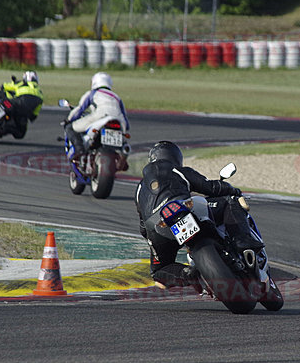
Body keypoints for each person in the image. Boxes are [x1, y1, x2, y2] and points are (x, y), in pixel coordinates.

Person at [134, 141, 260, 290]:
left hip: (156, 227)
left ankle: (187, 274)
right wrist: (234, 191)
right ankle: (242, 242)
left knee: (158, 271)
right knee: (229, 201)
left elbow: (143, 227)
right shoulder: (177, 171)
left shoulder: (139, 188)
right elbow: (211, 188)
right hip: (180, 207)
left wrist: (152, 236)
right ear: (175, 157)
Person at [63, 72, 130, 169]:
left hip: (100, 116)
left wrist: (68, 120)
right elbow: (126, 122)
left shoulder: (93, 93)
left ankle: (80, 152)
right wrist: (124, 127)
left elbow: (80, 109)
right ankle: (122, 157)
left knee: (70, 128)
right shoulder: (117, 97)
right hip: (119, 120)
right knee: (124, 140)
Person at [0, 70, 43, 139]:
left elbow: (4, 86)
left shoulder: (21, 83)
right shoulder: (40, 93)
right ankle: (4, 128)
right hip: (23, 115)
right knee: (20, 134)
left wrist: (4, 86)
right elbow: (34, 115)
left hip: (14, 105)